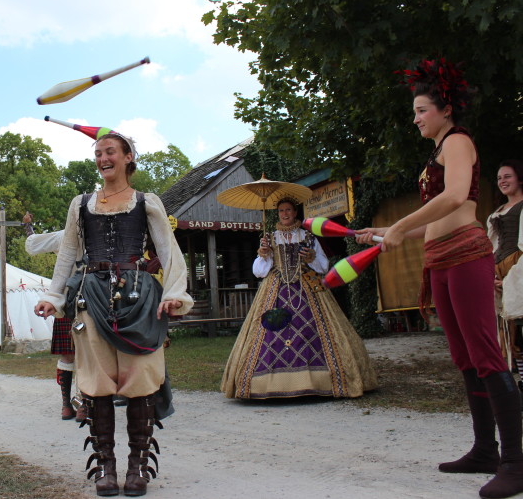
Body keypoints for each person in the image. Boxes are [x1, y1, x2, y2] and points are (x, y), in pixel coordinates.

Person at [357, 59, 523, 499]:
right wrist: (384, 233)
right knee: (465, 357)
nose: (415, 118)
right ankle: (485, 451)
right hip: (440, 258)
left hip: (467, 254)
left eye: (422, 110)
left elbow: (453, 197)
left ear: (446, 109)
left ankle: (515, 463)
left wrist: (397, 226)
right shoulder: (437, 150)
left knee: (486, 354)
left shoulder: (459, 142)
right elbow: (432, 222)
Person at [34, 132, 193, 497]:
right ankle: (106, 465)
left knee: (140, 380)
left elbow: (169, 251)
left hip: (138, 296)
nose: (103, 158)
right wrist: (53, 296)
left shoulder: (145, 202)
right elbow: (67, 253)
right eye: (98, 153)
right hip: (91, 294)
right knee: (96, 381)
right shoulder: (81, 204)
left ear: (127, 157)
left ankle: (138, 465)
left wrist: (173, 293)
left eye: (110, 152)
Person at [220, 198, 377, 400]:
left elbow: (324, 267)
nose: (284, 214)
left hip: (307, 289)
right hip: (274, 291)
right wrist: (264, 254)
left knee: (310, 330)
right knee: (271, 333)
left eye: (288, 210)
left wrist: (311, 257)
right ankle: (266, 383)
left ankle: (318, 381)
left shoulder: (308, 237)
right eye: (281, 211)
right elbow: (259, 272)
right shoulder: (269, 238)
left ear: (295, 213)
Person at [22, 217, 87, 422]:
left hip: (65, 299)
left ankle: (68, 406)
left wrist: (27, 227)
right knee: (89, 355)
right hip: (88, 299)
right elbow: (33, 244)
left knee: (69, 356)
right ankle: (81, 405)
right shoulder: (82, 235)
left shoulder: (62, 235)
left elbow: (33, 243)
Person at [488, 160, 523, 385]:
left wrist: (513, 278)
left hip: (519, 271)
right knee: (513, 337)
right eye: (500, 178)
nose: (503, 181)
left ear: (520, 178)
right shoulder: (496, 213)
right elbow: (490, 246)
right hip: (500, 274)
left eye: (507, 176)